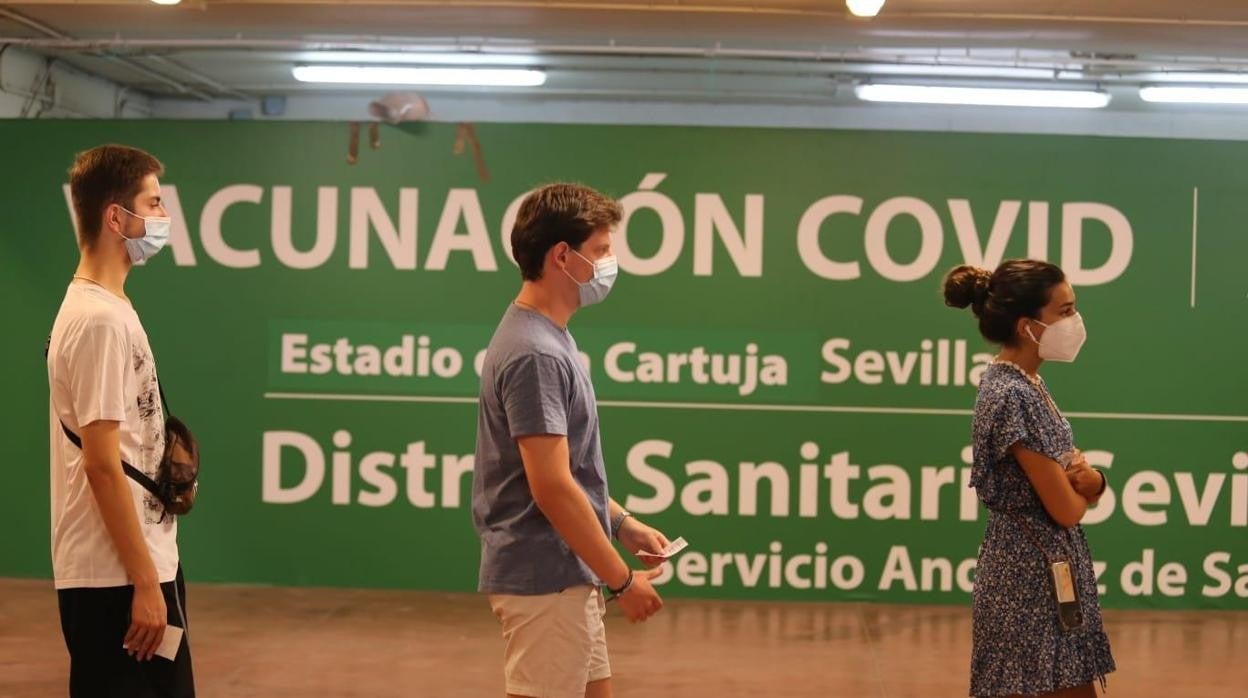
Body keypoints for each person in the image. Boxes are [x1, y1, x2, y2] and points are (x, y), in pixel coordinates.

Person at [472, 183, 668, 698]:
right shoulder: (534, 352)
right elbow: (552, 488)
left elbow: (571, 473)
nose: (609, 263)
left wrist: (621, 524)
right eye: (601, 250)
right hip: (546, 578)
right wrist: (623, 580)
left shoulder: (548, 337)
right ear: (563, 256)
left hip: (567, 571)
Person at [47, 144, 194, 697]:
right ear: (116, 217)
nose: (162, 218)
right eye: (153, 203)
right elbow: (102, 464)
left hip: (133, 570)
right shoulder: (98, 321)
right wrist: (144, 584)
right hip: (116, 580)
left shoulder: (110, 308)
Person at [943, 259, 1116, 698]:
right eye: (1064, 311)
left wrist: (1093, 482)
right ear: (1027, 326)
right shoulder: (1010, 393)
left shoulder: (1027, 383)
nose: (1074, 321)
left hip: (1044, 569)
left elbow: (1079, 482)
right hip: (1027, 581)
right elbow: (1063, 507)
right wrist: (1086, 490)